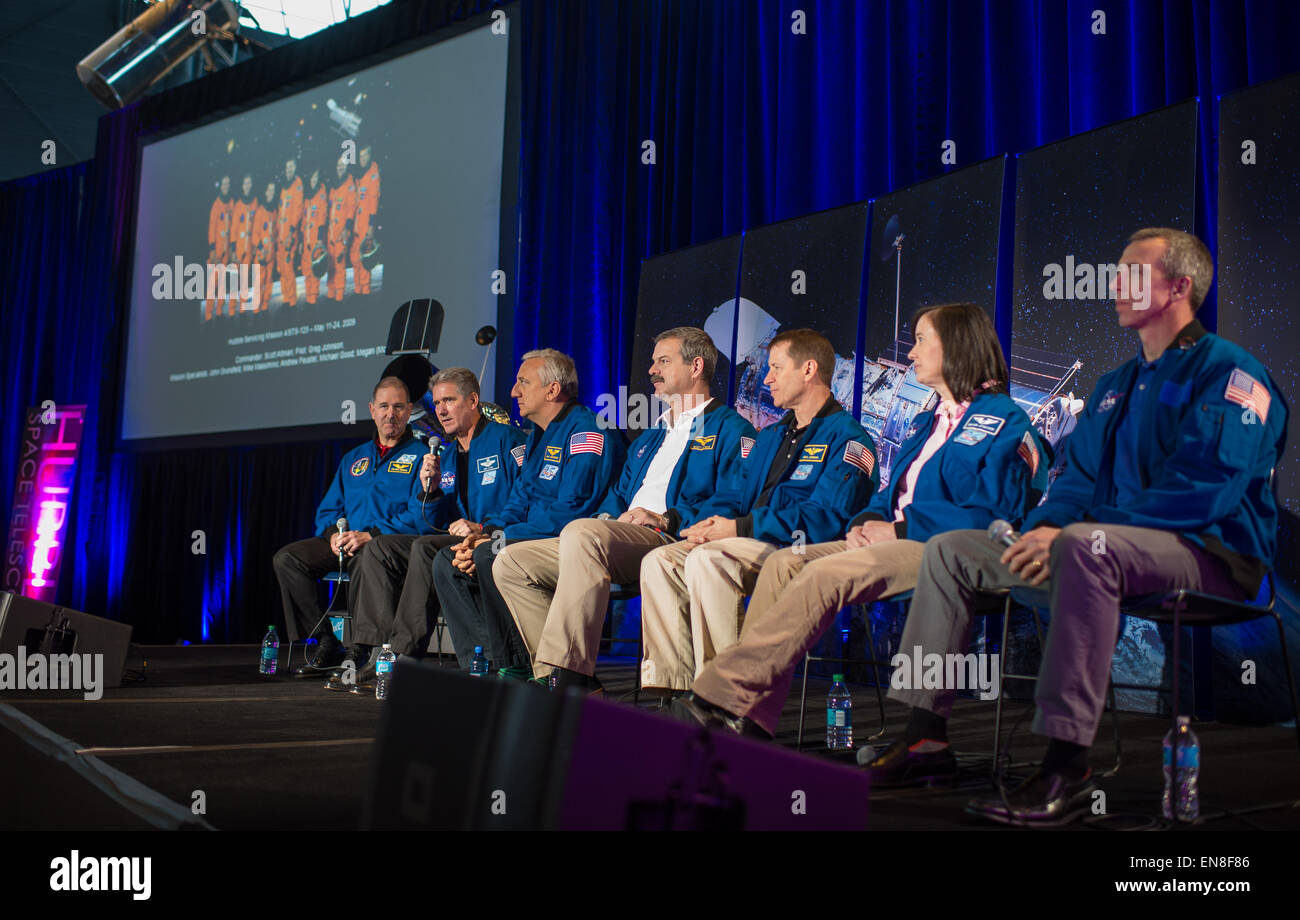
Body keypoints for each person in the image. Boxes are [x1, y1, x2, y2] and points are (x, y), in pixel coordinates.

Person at [868, 229, 1287, 826]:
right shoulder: (1116, 385)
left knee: (1089, 546)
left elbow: (1204, 487)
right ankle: (925, 738)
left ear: (1178, 287)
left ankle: (1067, 765)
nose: (1114, 284)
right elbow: (1073, 482)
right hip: (1104, 550)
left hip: (1211, 554)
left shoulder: (1231, 373)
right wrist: (1042, 529)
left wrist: (1072, 535)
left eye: (1132, 274)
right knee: (953, 550)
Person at [672, 303, 1049, 738]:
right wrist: (867, 520)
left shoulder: (1006, 420)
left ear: (957, 346)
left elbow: (995, 513)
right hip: (893, 541)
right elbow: (891, 494)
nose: (911, 353)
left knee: (821, 574)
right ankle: (753, 721)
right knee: (784, 564)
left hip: (947, 547)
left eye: (922, 340)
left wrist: (900, 530)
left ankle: (721, 696)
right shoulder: (928, 423)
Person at [493, 328, 755, 692]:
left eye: (663, 361)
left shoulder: (731, 429)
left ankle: (566, 674)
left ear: (696, 366)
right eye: (652, 361)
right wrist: (607, 520)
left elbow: (734, 499)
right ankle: (564, 680)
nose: (651, 370)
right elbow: (617, 494)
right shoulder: (651, 435)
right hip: (617, 538)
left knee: (581, 533)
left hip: (671, 537)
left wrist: (668, 518)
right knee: (511, 562)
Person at [637, 328, 878, 694]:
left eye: (776, 368)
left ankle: (724, 697)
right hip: (750, 540)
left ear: (809, 370)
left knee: (710, 561)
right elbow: (733, 496)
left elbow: (826, 519)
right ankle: (674, 689)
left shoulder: (849, 439)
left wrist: (743, 527)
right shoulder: (770, 437)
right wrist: (701, 524)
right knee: (662, 560)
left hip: (796, 549)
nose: (766, 378)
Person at [325, 367, 527, 691]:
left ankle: (405, 658)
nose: (441, 410)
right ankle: (381, 652)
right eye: (436, 403)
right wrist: (429, 491)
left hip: (496, 537)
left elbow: (526, 497)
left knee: (424, 549)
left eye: (449, 400)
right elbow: (431, 521)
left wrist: (485, 527)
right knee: (378, 547)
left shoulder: (507, 439)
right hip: (457, 538)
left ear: (473, 400)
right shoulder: (444, 455)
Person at [433, 349, 625, 678]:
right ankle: (483, 665)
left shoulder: (587, 431)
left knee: (488, 555)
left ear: (552, 390)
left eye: (523, 382)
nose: (513, 391)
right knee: (446, 560)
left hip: (573, 542)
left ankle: (516, 664)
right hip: (532, 536)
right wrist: (488, 533)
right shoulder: (537, 435)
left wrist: (499, 539)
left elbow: (572, 510)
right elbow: (518, 499)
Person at [272, 377, 433, 677]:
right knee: (287, 559)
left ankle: (360, 649)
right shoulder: (354, 458)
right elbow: (328, 509)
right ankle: (326, 641)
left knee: (367, 555)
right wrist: (333, 535)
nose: (391, 414)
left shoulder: (422, 456)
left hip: (384, 545)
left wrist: (371, 534)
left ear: (410, 410)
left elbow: (421, 514)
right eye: (384, 406)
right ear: (372, 410)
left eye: (399, 407)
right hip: (346, 541)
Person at [350, 145, 380, 295]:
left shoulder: (372, 175)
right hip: (357, 225)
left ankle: (365, 291)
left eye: (365, 156)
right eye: (360, 157)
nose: (363, 159)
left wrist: (371, 227)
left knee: (363, 259)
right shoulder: (360, 177)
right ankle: (358, 289)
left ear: (369, 156)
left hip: (365, 224)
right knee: (355, 257)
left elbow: (374, 202)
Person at [326, 155, 356, 301]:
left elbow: (351, 209)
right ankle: (331, 294)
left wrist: (346, 230)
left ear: (347, 167)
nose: (340, 167)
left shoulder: (349, 185)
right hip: (331, 234)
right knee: (331, 266)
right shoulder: (334, 186)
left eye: (343, 165)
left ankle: (339, 297)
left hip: (341, 233)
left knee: (339, 264)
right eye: (338, 164)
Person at [276, 158, 304, 308]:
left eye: (291, 167)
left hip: (289, 236)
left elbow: (297, 211)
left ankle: (292, 302)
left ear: (295, 168)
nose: (289, 170)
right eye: (287, 167)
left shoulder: (297, 186)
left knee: (288, 268)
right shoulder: (284, 188)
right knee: (282, 269)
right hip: (280, 236)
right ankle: (286, 298)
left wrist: (291, 233)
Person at [204, 175, 233, 321]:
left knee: (222, 284)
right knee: (212, 284)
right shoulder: (216, 205)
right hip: (216, 253)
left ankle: (220, 312)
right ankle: (209, 315)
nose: (226, 186)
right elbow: (211, 228)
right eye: (224, 184)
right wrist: (213, 250)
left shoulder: (231, 203)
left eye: (228, 184)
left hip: (226, 252)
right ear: (221, 186)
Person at [300, 167, 327, 305]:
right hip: (306, 240)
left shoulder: (320, 194)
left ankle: (313, 301)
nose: (314, 180)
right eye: (312, 177)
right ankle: (309, 298)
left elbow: (322, 218)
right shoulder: (307, 197)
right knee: (306, 271)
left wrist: (320, 240)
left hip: (316, 240)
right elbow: (304, 221)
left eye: (316, 177)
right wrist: (300, 241)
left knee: (314, 271)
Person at [230, 174, 257, 314]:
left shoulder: (255, 203)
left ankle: (242, 312)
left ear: (251, 184)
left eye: (249, 183)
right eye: (245, 183)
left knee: (245, 281)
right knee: (235, 282)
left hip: (249, 248)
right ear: (242, 186)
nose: (247, 185)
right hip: (239, 250)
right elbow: (234, 229)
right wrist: (233, 251)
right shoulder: (238, 205)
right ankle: (231, 312)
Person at [252, 180, 277, 312]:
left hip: (271, 254)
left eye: (273, 190)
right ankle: (256, 310)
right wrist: (261, 249)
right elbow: (255, 234)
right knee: (259, 282)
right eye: (270, 190)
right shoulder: (260, 212)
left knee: (268, 282)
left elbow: (275, 232)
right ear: (266, 192)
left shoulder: (273, 212)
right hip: (262, 254)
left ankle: (265, 305)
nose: (271, 193)